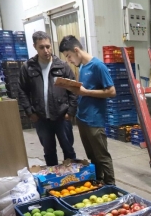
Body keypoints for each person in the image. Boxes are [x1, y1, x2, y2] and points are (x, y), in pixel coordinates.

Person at [58, 35, 116, 185]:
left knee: (102, 156)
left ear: (76, 50)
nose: (69, 60)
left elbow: (111, 92)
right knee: (92, 156)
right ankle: (99, 182)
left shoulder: (98, 66)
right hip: (82, 118)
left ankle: (111, 186)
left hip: (95, 119)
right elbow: (83, 90)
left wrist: (86, 92)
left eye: (69, 56)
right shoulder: (83, 67)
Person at [18, 31, 77, 166]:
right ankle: (54, 181)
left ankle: (72, 179)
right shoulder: (28, 68)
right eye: (41, 47)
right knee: (49, 151)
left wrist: (71, 112)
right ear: (35, 47)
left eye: (48, 46)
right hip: (41, 118)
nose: (46, 50)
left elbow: (73, 90)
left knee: (68, 150)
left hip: (62, 116)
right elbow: (22, 91)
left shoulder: (62, 66)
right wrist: (30, 112)